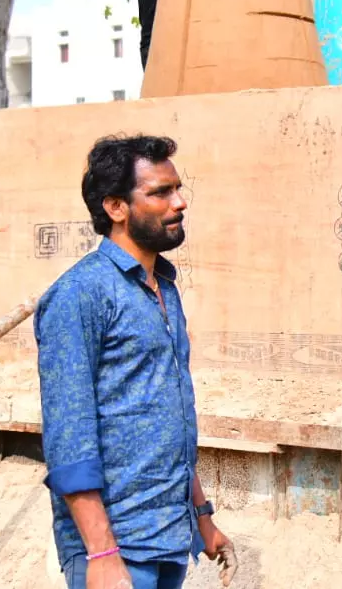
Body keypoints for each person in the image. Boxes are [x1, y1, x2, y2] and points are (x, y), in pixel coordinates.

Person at [35, 135, 238, 589]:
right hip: (116, 547)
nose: (180, 202)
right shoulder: (79, 295)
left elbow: (170, 419)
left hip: (168, 535)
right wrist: (101, 552)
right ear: (116, 208)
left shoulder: (164, 289)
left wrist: (202, 517)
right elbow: (69, 436)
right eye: (160, 193)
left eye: (177, 189)